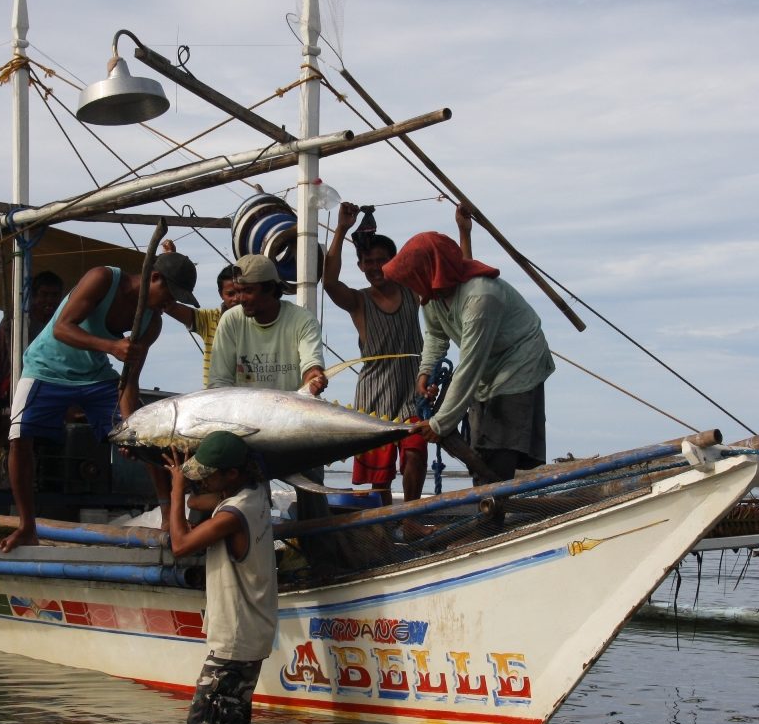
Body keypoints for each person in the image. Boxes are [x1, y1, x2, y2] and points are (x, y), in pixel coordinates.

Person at [0, 254, 199, 552]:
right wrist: (111, 346)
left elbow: (129, 380)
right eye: (169, 295)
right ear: (154, 278)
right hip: (45, 369)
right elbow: (61, 328)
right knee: (19, 439)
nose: (168, 305)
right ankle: (27, 526)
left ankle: (168, 517)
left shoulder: (151, 322)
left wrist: (129, 429)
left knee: (148, 434)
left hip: (95, 376)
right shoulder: (103, 277)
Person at [382, 231, 555, 484]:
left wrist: (439, 424)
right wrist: (425, 370)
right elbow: (435, 335)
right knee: (479, 446)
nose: (408, 285)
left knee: (499, 444)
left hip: (519, 362)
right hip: (486, 369)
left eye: (410, 277)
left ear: (428, 270)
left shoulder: (481, 296)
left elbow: (471, 364)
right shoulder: (432, 296)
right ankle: (488, 504)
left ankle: (494, 512)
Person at [163, 431, 277, 724]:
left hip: (233, 642)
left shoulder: (232, 515)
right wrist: (187, 486)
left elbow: (180, 545)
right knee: (231, 723)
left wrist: (176, 492)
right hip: (252, 634)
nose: (204, 481)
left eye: (209, 475)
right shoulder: (256, 495)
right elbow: (203, 500)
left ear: (232, 474)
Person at [323, 201, 427, 505]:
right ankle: (380, 530)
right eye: (368, 262)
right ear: (360, 266)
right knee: (378, 478)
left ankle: (410, 517)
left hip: (412, 393)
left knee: (416, 452)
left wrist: (464, 231)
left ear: (395, 262)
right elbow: (328, 282)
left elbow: (451, 273)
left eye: (382, 260)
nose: (375, 267)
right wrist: (341, 229)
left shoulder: (412, 292)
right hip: (373, 399)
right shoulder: (359, 302)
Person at [207, 255, 327, 395]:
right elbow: (219, 382)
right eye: (238, 291)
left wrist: (313, 377)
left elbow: (311, 364)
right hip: (244, 415)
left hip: (292, 414)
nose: (241, 299)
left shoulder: (303, 320)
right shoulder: (231, 320)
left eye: (248, 291)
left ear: (269, 288)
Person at [159, 240, 240, 388]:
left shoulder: (258, 320)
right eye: (230, 293)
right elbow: (169, 306)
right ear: (221, 294)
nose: (236, 298)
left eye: (241, 292)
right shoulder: (209, 319)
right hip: (215, 400)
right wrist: (171, 261)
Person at [0, 270, 65, 405]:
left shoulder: (63, 322)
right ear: (34, 296)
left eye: (54, 295)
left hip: (53, 385)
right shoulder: (15, 321)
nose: (50, 300)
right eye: (44, 295)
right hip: (18, 384)